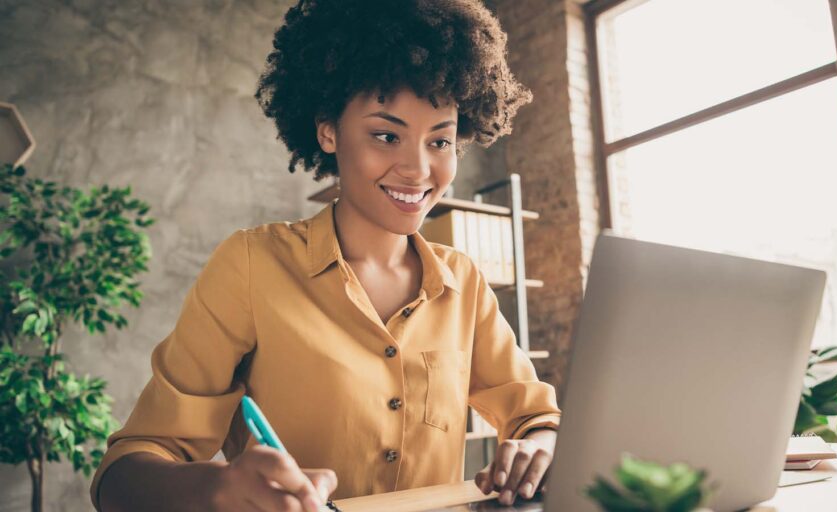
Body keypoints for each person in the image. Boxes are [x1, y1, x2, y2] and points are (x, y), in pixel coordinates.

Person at [90, 1, 561, 510]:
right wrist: (219, 488)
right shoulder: (251, 265)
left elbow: (536, 417)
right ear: (328, 130)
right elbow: (122, 477)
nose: (419, 169)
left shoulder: (462, 280)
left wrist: (536, 448)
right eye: (387, 135)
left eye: (440, 140)